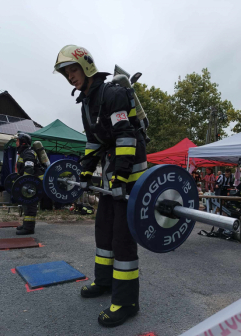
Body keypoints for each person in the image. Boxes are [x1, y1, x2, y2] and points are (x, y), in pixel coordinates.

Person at [54, 45, 147, 327]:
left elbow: (125, 137)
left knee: (122, 237)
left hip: (129, 174)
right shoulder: (86, 102)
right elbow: (95, 143)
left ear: (86, 66)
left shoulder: (113, 93)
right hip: (111, 174)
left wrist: (120, 178)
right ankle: (105, 283)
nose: (70, 76)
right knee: (104, 230)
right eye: (65, 72)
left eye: (73, 69)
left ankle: (127, 301)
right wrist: (83, 173)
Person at [14, 133, 45, 235]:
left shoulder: (28, 153)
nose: (16, 143)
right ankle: (26, 224)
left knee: (30, 204)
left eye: (17, 141)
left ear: (23, 142)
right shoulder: (24, 152)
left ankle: (29, 228)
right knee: (26, 203)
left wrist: (26, 184)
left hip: (33, 183)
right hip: (30, 182)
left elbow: (29, 169)